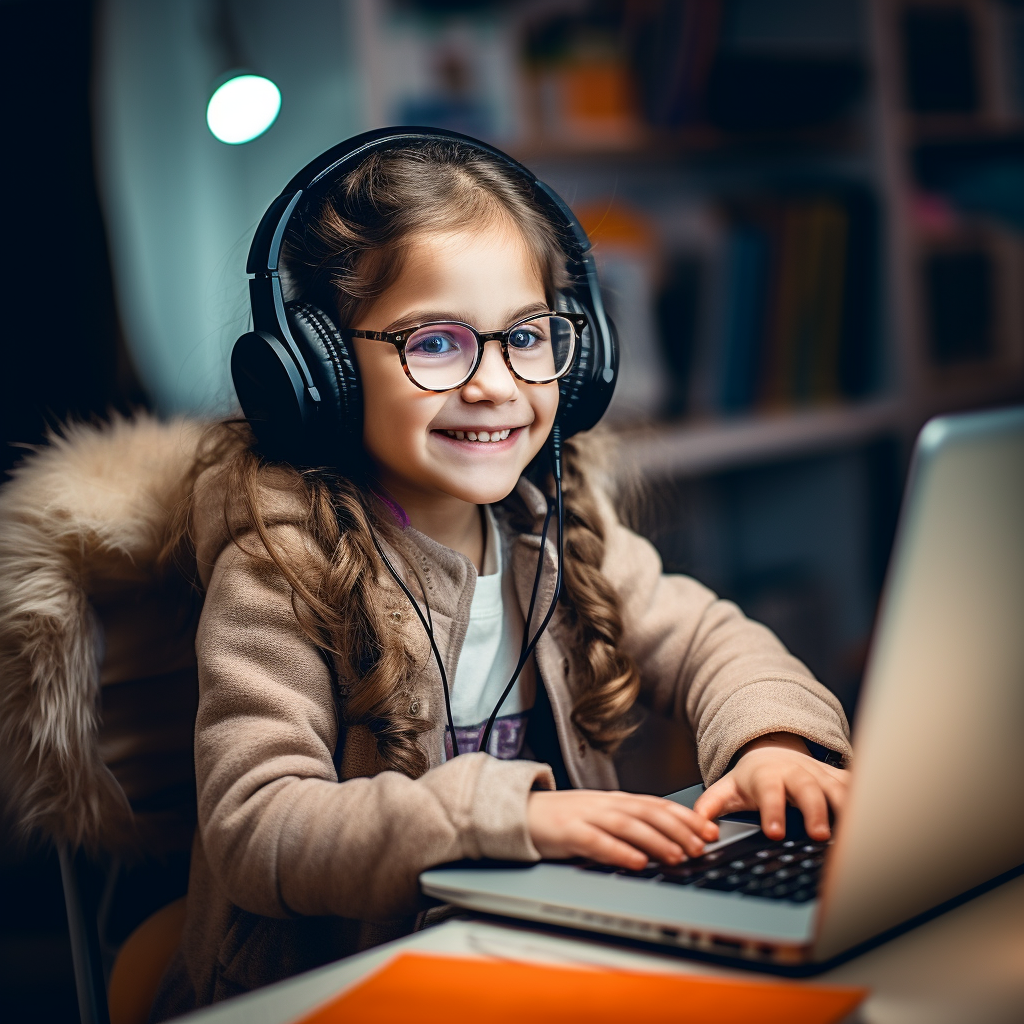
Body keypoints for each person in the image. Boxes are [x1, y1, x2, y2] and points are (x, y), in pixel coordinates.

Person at [152, 136, 851, 1018]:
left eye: (526, 335)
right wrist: (507, 818)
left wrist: (772, 744)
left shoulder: (553, 530)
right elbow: (260, 828)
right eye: (436, 342)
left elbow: (713, 641)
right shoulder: (280, 571)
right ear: (317, 370)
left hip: (536, 950)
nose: (495, 385)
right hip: (347, 985)